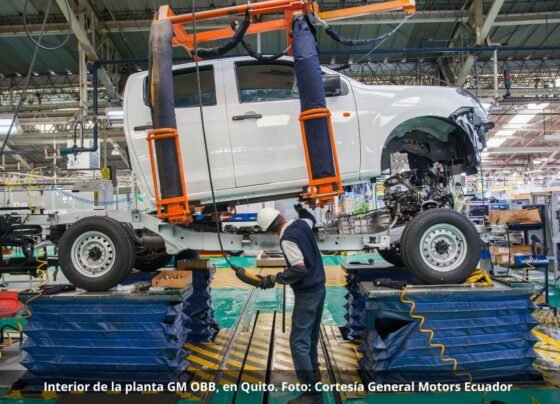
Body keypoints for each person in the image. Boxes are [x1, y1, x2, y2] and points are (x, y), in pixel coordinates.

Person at [256, 207, 325, 404]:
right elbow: (311, 218)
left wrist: (274, 279)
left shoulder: (286, 239)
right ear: (281, 217)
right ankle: (314, 376)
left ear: (270, 231)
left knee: (298, 342)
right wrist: (302, 207)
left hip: (307, 294)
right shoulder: (302, 224)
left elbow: (298, 268)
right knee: (310, 338)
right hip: (320, 288)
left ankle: (312, 394)